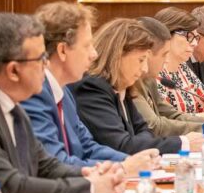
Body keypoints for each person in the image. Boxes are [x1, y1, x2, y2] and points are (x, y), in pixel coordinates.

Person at [0, 13, 125, 193]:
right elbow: (12, 188)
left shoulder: (14, 107)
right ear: (13, 71)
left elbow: (45, 165)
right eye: (41, 59)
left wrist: (89, 175)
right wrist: (90, 188)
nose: (47, 65)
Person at [21, 2, 160, 173]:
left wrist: (131, 161)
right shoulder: (34, 93)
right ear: (63, 50)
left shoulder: (64, 92)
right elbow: (55, 163)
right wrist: (123, 167)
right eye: (87, 45)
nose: (94, 54)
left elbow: (87, 146)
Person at [72, 18, 197, 155]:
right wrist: (183, 143)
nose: (144, 69)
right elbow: (122, 145)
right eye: (141, 60)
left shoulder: (123, 87)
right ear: (118, 55)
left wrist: (136, 142)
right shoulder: (92, 87)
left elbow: (145, 130)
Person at [132, 16, 204, 138]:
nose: (166, 60)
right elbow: (155, 126)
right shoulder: (133, 81)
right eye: (164, 54)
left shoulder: (148, 78)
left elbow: (173, 115)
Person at [154, 7, 204, 115]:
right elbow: (170, 119)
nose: (195, 44)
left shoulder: (183, 67)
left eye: (196, 38)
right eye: (189, 36)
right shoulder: (154, 73)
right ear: (167, 34)